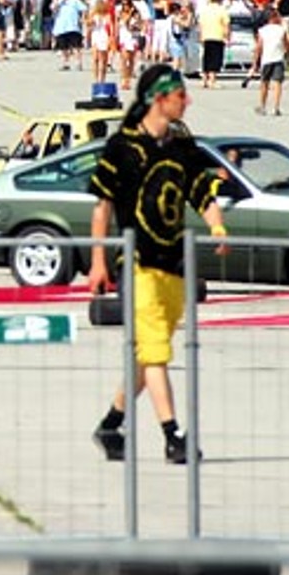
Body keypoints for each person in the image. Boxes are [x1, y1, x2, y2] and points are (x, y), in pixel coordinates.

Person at [85, 65, 231, 465]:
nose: (188, 101)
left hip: (173, 265)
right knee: (156, 352)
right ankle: (173, 435)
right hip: (136, 265)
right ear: (158, 98)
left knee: (148, 354)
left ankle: (111, 425)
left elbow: (202, 192)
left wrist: (217, 226)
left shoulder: (183, 147)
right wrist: (98, 261)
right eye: (181, 95)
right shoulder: (122, 148)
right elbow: (102, 208)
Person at [253, 8, 288, 116]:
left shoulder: (262, 30)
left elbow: (259, 47)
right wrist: (285, 52)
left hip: (266, 59)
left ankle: (262, 105)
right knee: (277, 83)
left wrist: (255, 62)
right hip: (278, 58)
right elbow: (286, 44)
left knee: (264, 83)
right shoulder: (281, 30)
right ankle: (275, 107)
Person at [196, 0, 229, 89]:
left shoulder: (205, 9)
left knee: (207, 58)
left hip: (206, 36)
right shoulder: (222, 9)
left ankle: (204, 80)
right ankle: (212, 80)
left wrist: (200, 35)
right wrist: (227, 36)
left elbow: (200, 23)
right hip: (218, 36)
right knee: (215, 59)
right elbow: (226, 24)